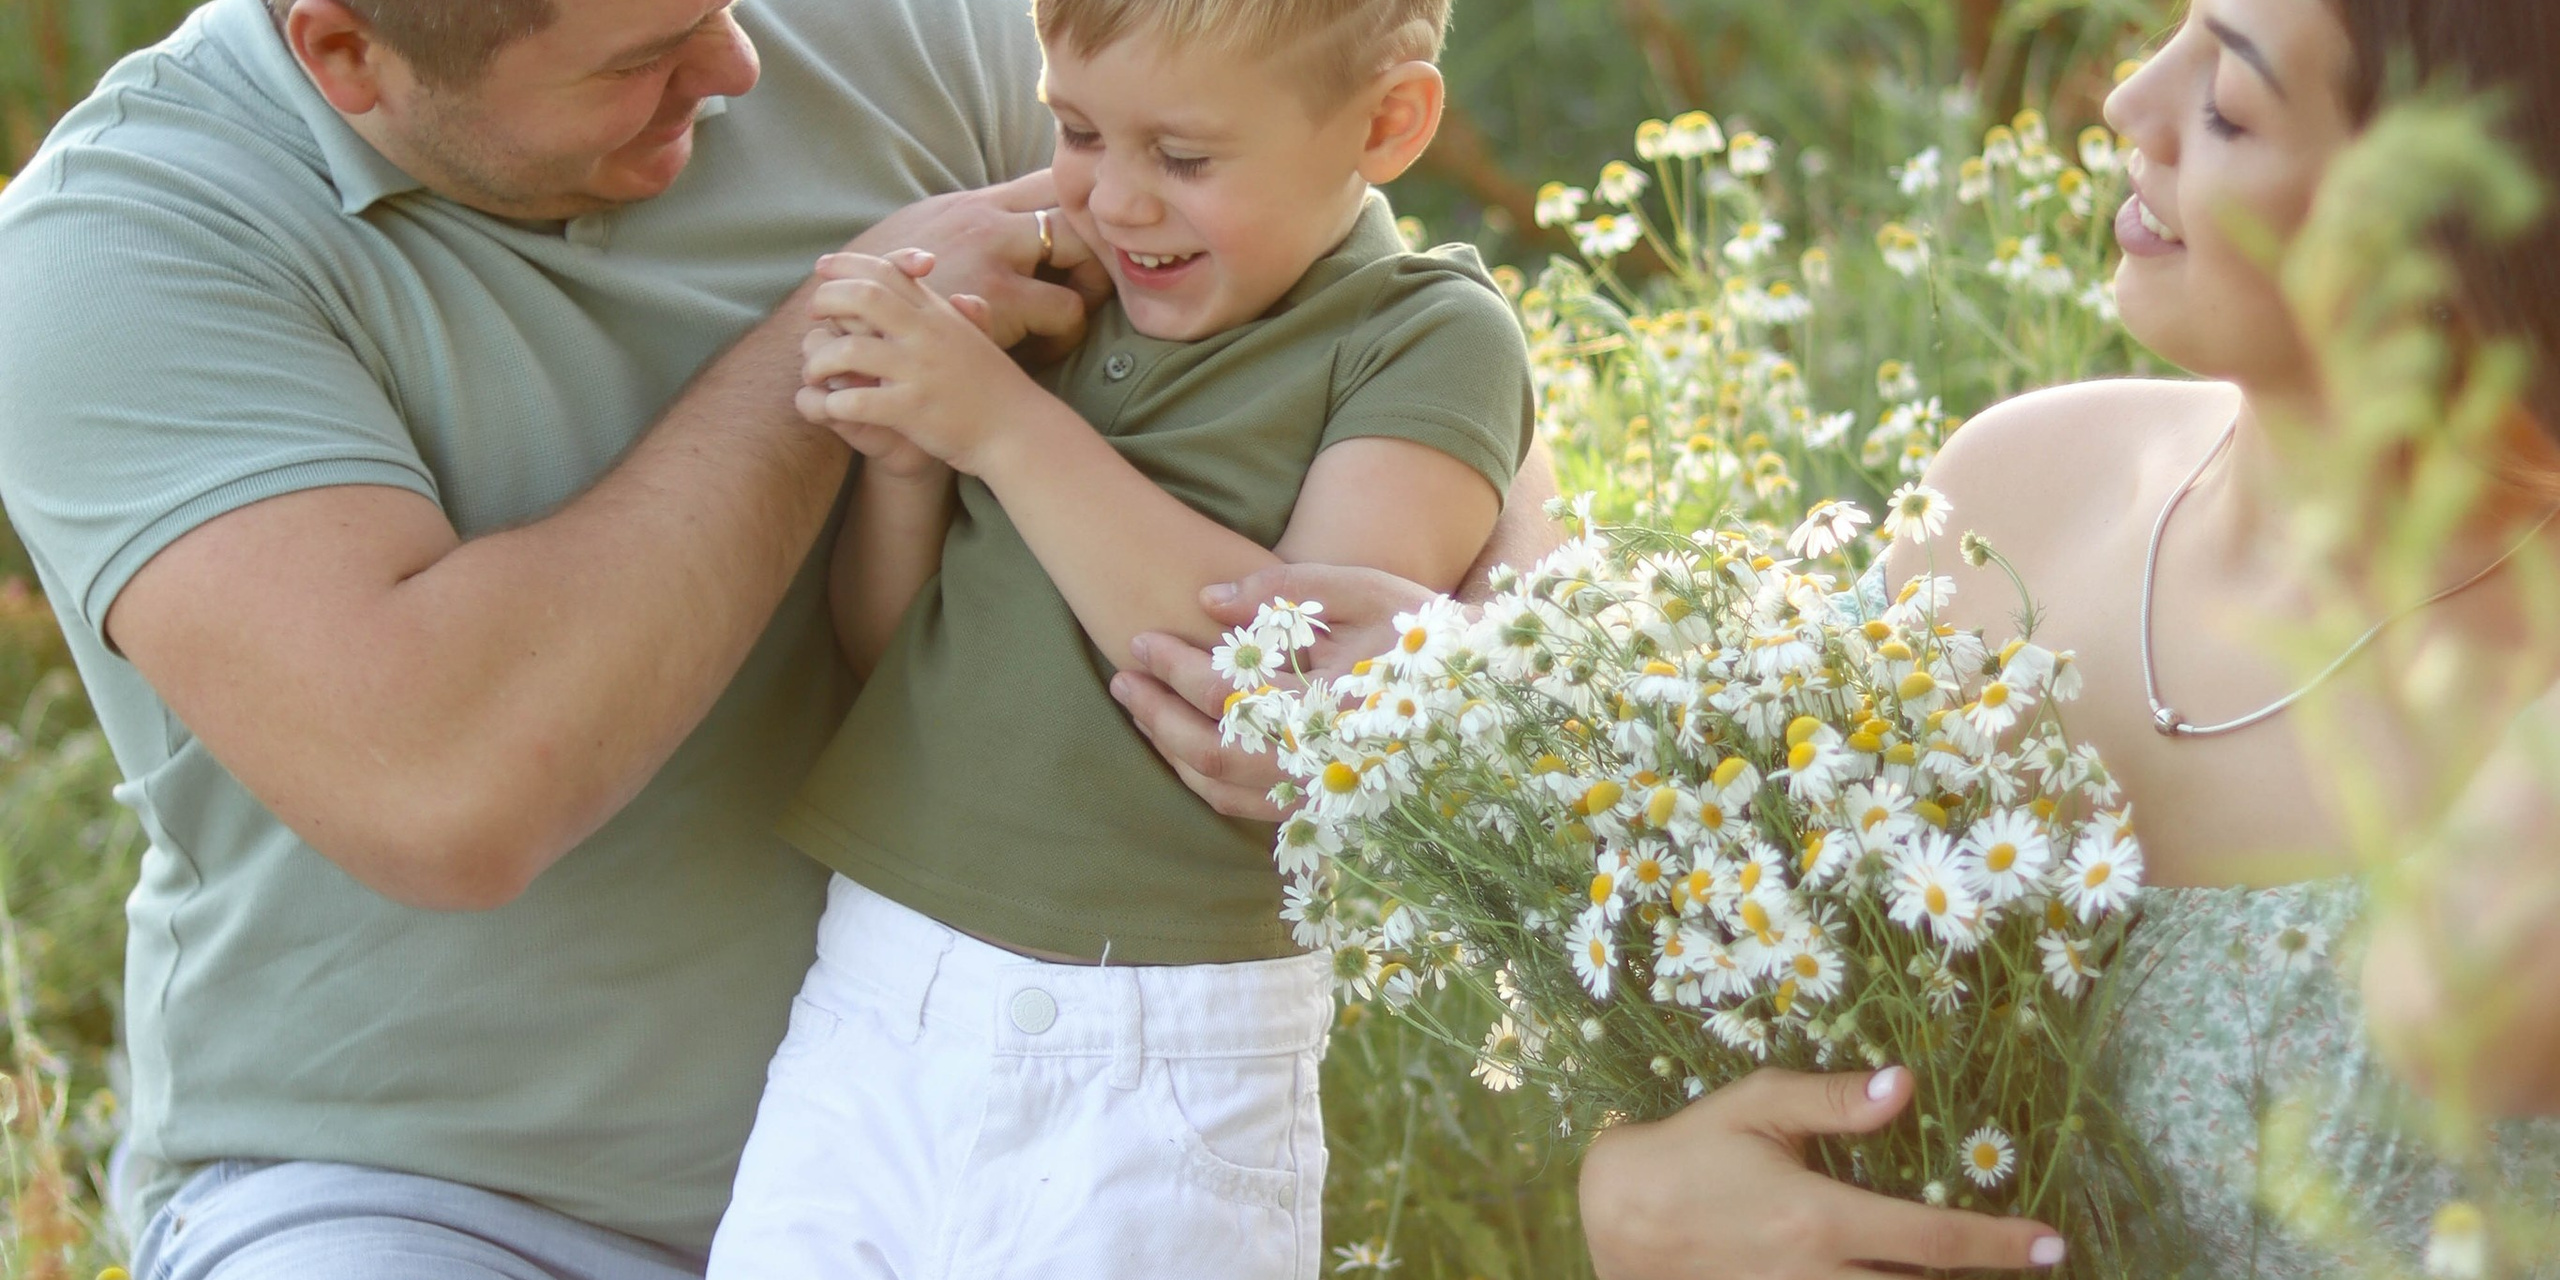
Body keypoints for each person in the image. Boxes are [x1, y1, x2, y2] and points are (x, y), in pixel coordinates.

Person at [0, 0, 1556, 1274]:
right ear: (347, 53)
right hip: (431, 1202)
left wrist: (1477, 616)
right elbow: (449, 787)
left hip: (1015, 1096)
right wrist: (842, 337)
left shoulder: (880, 34)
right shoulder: (127, 251)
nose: (740, 66)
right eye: (641, 61)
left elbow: (1327, 261)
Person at [1117, 0, 2560, 1275]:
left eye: (2231, 101)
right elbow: (1763, 1017)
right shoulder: (2019, 497)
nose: (2127, 102)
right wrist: (1643, 1189)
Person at [698, 0, 1533, 1275]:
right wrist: (910, 471)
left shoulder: (1424, 336)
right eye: (1077, 129)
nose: (1117, 200)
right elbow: (896, 668)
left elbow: (1281, 677)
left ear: (1387, 123)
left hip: (1168, 1040)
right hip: (876, 997)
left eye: (1185, 158)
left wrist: (999, 429)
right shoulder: (1064, 302)